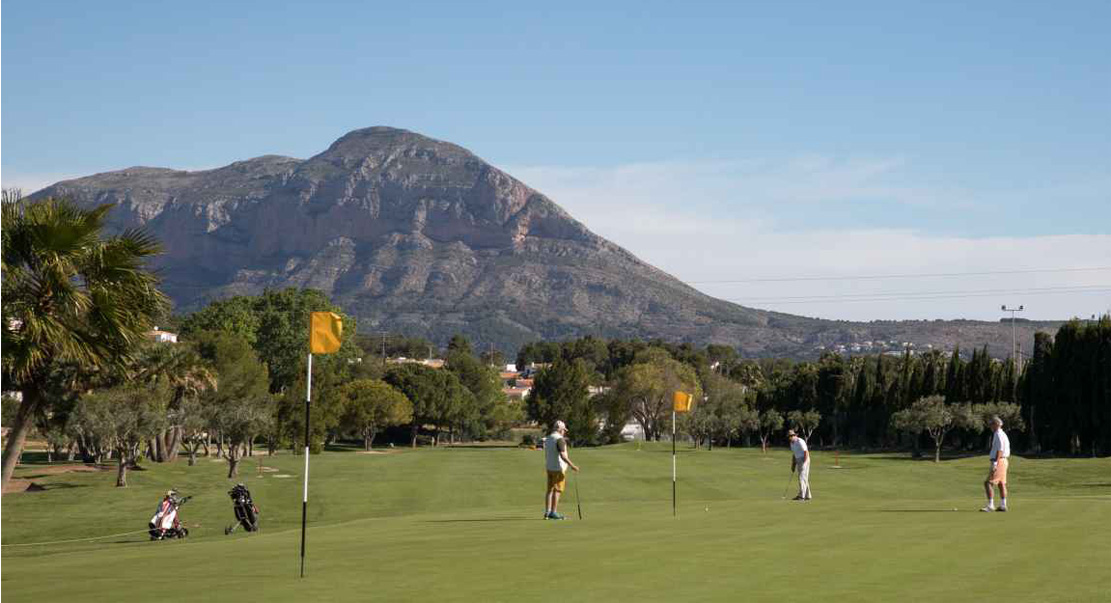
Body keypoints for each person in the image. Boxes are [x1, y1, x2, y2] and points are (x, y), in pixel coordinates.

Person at [543, 420, 579, 520]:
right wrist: (572, 466)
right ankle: (553, 512)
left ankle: (547, 512)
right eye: (563, 430)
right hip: (558, 468)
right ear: (559, 429)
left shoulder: (549, 438)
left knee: (549, 490)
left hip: (549, 467)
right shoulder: (560, 439)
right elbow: (563, 456)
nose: (564, 432)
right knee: (557, 490)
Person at [981, 416, 1011, 512]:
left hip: (999, 460)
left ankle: (990, 505)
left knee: (988, 483)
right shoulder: (1002, 434)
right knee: (1001, 484)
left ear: (996, 424)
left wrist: (995, 463)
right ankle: (1003, 505)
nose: (990, 426)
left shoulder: (998, 434)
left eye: (992, 424)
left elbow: (1000, 450)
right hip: (1004, 461)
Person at [788, 429, 812, 501]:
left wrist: (804, 462)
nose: (790, 438)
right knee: (804, 477)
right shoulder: (792, 444)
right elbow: (794, 455)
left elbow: (806, 452)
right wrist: (793, 465)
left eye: (791, 436)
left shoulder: (800, 441)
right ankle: (808, 495)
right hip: (798, 460)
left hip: (804, 459)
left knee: (801, 477)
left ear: (794, 435)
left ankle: (801, 496)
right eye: (789, 436)